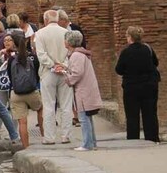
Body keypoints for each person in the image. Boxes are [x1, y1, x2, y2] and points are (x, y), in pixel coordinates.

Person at [34, 9, 73, 144]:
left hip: (47, 72)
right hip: (64, 71)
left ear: (45, 20)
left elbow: (41, 55)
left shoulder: (39, 34)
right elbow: (70, 53)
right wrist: (63, 65)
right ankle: (65, 135)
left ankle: (49, 137)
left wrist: (52, 65)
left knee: (49, 105)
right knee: (66, 104)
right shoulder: (66, 33)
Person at [115, 26, 160, 143]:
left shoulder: (126, 52)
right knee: (150, 113)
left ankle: (133, 140)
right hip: (150, 86)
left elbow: (118, 69)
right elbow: (155, 62)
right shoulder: (148, 49)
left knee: (132, 115)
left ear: (130, 37)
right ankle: (152, 138)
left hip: (131, 87)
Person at [64, 30, 102, 151]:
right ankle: (92, 142)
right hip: (86, 88)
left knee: (84, 118)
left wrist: (68, 79)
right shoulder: (80, 54)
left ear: (69, 42)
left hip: (83, 91)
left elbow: (77, 73)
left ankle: (87, 144)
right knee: (87, 117)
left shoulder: (76, 55)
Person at [7, 33, 41, 148]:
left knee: (22, 122)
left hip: (16, 93)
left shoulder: (11, 59)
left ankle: (26, 147)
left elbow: (9, 76)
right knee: (41, 109)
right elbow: (37, 74)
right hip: (32, 91)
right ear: (26, 42)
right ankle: (44, 136)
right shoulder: (33, 57)